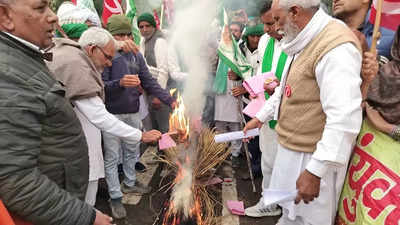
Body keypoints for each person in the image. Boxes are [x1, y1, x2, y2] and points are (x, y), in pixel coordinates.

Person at [244, 1, 363, 224]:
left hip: (312, 158)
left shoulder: (334, 47)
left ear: (295, 12)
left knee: (307, 220)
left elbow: (343, 118)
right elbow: (285, 90)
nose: (276, 28)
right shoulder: (301, 39)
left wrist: (315, 171)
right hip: (291, 152)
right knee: (289, 215)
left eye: (278, 20)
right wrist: (260, 117)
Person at [0, 0, 113, 224]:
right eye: (40, 8)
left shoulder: (23, 57)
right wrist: (85, 217)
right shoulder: (8, 74)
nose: (53, 17)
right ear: (5, 16)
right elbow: (16, 180)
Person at [47, 27, 162, 218]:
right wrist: (141, 135)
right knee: (83, 200)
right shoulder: (78, 66)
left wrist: (117, 43)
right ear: (92, 49)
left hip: (75, 141)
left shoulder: (73, 52)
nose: (109, 63)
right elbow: (99, 116)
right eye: (108, 57)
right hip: (75, 147)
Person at [102, 15, 176, 218]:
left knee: (131, 151)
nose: (125, 38)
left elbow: (150, 82)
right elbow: (100, 86)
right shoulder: (105, 55)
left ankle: (130, 182)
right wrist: (119, 83)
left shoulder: (136, 56)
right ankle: (115, 197)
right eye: (119, 35)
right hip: (111, 115)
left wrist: (170, 101)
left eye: (127, 33)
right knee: (112, 157)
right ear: (110, 36)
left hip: (133, 111)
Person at [336, 26, 400, 225]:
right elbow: (360, 104)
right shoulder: (386, 70)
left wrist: (388, 128)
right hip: (367, 158)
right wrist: (368, 80)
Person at [245, 1, 290, 218]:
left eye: (271, 23)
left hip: (287, 116)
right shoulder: (264, 41)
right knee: (268, 160)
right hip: (265, 110)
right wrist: (254, 88)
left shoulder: (294, 43)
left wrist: (277, 85)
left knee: (285, 165)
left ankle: (281, 203)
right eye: (264, 24)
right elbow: (259, 69)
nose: (266, 29)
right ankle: (270, 202)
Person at [137, 12, 186, 133]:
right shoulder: (143, 41)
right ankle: (161, 151)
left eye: (148, 26)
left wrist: (159, 96)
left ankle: (169, 152)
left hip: (162, 91)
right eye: (141, 27)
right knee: (156, 127)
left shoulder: (159, 42)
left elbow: (163, 71)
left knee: (165, 128)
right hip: (151, 90)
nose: (145, 29)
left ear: (154, 26)